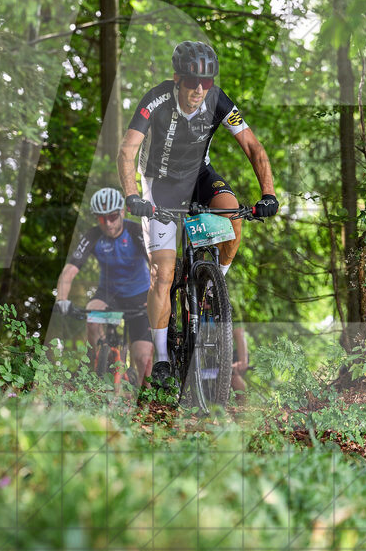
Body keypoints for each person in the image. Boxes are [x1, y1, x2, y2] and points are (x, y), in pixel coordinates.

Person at [117, 41, 278, 378]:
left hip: (198, 176)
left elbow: (252, 145)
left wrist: (268, 194)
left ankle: (212, 285)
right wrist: (134, 196)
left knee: (232, 215)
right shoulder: (157, 98)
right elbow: (127, 151)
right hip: (158, 182)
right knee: (163, 274)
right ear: (178, 78)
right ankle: (161, 358)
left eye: (206, 83)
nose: (199, 90)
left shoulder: (218, 99)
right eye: (193, 82)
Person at [54, 187, 154, 385]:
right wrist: (62, 300)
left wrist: (155, 297)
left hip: (141, 294)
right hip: (109, 294)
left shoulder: (135, 231)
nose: (108, 223)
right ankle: (100, 362)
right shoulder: (93, 236)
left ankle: (147, 398)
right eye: (101, 219)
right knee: (92, 316)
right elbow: (70, 270)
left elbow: (155, 264)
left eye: (113, 216)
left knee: (143, 359)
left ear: (122, 212)